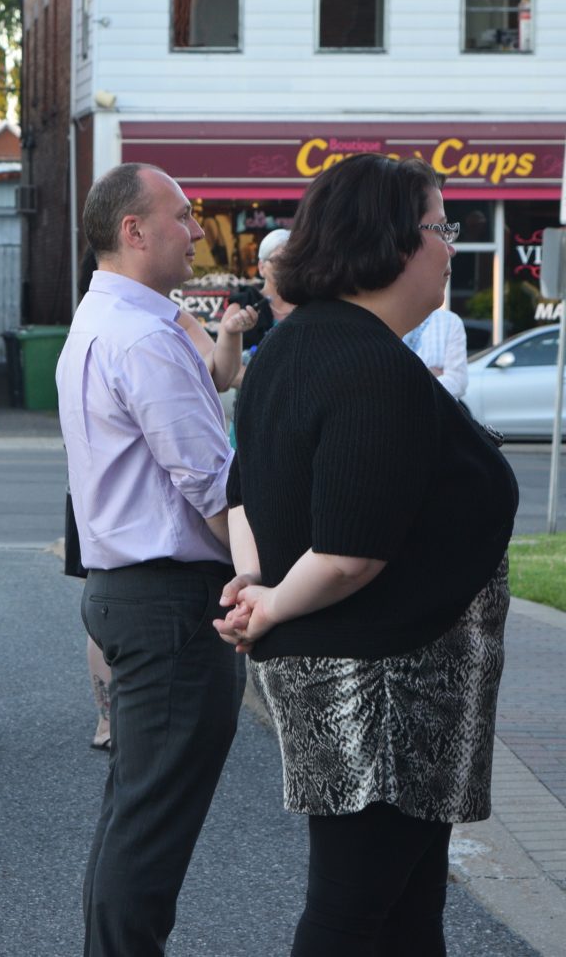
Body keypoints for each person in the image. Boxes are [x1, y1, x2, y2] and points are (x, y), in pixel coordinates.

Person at [216, 154, 516, 955]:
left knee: (405, 913)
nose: (451, 247)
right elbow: (351, 551)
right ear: (390, 239)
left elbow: (240, 491)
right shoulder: (370, 365)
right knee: (353, 914)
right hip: (388, 690)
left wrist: (255, 581)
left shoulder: (289, 346)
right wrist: (270, 601)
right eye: (439, 226)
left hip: (374, 677)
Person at [56, 163, 242, 957]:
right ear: (133, 231)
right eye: (183, 216)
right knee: (150, 829)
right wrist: (283, 582)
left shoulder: (109, 321)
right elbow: (212, 483)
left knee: (135, 815)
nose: (197, 231)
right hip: (169, 603)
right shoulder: (142, 336)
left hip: (134, 592)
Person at [402, 305, 469, 398]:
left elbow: (458, 383)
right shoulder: (386, 318)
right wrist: (431, 375)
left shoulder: (450, 321)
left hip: (434, 411)